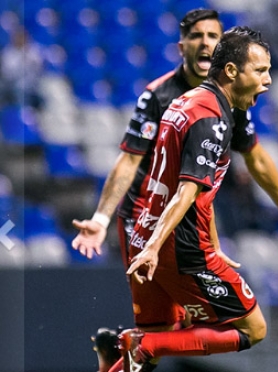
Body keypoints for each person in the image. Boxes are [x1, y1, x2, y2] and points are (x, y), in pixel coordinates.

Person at [118, 26, 278, 372]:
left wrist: (206, 244)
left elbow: (200, 189)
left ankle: (138, 349)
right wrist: (156, 247)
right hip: (178, 248)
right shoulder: (211, 120)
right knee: (253, 328)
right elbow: (186, 191)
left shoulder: (185, 102)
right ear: (232, 71)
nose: (269, 80)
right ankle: (144, 345)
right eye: (261, 70)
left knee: (152, 351)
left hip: (148, 233)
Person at [70, 9, 230, 371]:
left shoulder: (228, 100)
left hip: (188, 227)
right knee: (202, 330)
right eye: (197, 36)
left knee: (161, 339)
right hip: (147, 223)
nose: (205, 43)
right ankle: (126, 347)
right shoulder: (158, 96)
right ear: (181, 46)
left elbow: (236, 165)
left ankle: (121, 349)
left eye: (213, 36)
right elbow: (129, 160)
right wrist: (100, 217)